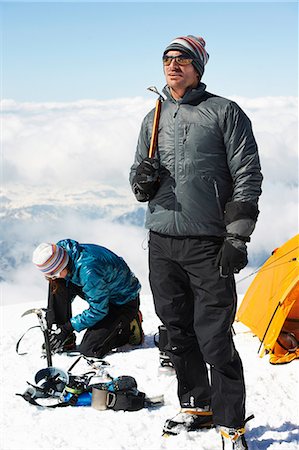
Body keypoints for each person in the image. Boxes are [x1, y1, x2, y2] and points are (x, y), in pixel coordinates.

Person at [130, 35, 263, 449]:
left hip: (208, 242)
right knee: (177, 332)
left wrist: (237, 237)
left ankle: (231, 424)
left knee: (214, 338)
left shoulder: (224, 112)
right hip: (162, 240)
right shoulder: (152, 118)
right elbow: (136, 180)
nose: (173, 65)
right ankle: (196, 406)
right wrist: (142, 179)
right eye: (168, 59)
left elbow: (247, 176)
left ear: (198, 67)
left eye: (183, 59)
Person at [32, 239, 143, 357]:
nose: (53, 277)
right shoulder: (62, 254)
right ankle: (60, 335)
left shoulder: (89, 271)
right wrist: (56, 323)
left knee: (90, 349)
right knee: (57, 285)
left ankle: (127, 326)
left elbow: (98, 310)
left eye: (54, 273)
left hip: (122, 302)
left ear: (62, 265)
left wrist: (68, 327)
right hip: (102, 291)